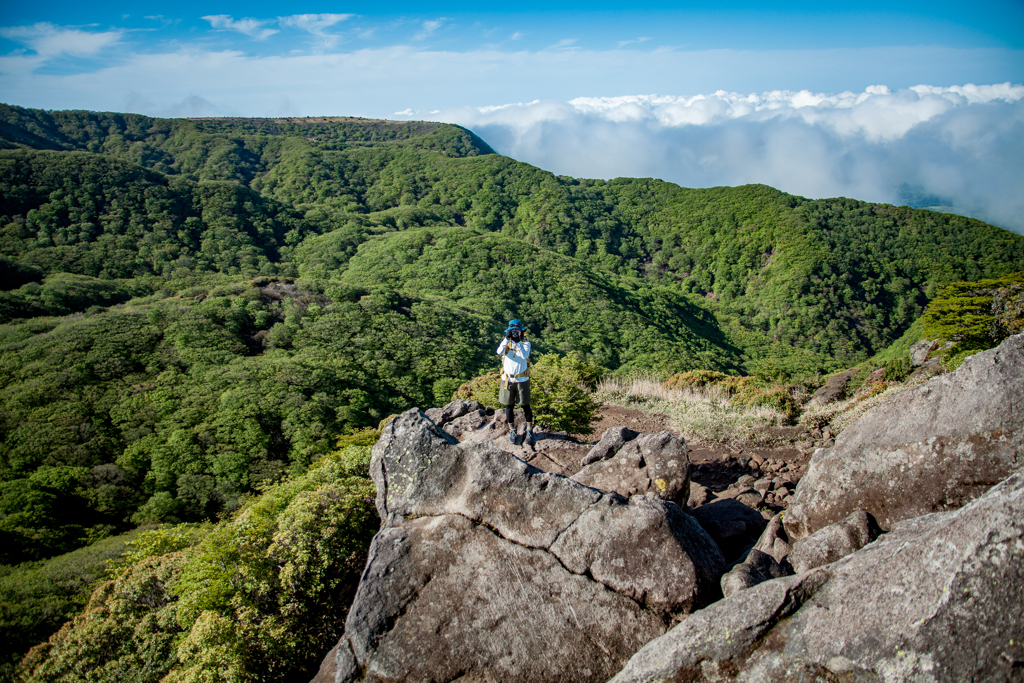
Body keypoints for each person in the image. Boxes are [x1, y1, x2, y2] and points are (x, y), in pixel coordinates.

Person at [497, 319, 533, 445]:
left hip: (521, 379)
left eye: (517, 331)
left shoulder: (526, 343)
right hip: (507, 379)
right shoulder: (506, 343)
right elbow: (498, 352)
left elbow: (525, 356)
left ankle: (529, 430)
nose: (515, 333)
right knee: (509, 405)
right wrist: (507, 339)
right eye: (512, 331)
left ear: (521, 331)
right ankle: (512, 430)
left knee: (525, 405)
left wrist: (518, 342)